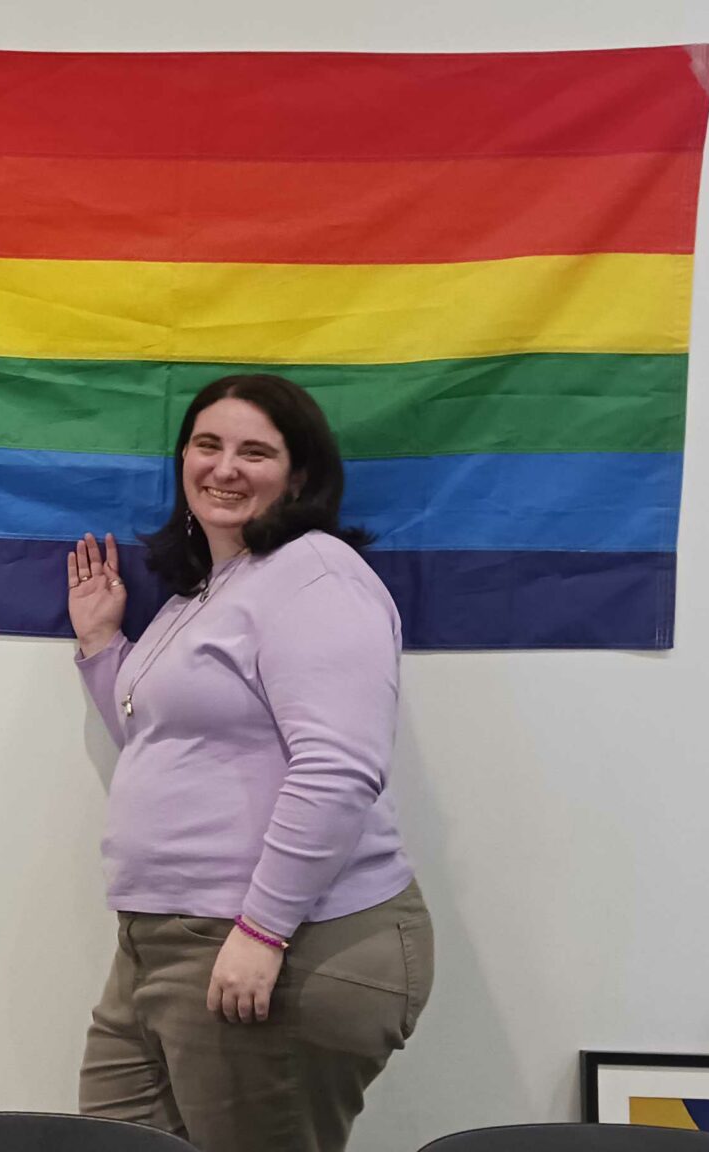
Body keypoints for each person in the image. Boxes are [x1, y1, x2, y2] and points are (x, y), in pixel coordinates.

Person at [65, 373, 433, 1152]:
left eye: (255, 452)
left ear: (298, 476)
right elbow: (163, 737)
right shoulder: (205, 591)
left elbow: (338, 768)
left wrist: (264, 932)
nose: (224, 467)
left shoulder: (315, 575)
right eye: (207, 445)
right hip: (160, 940)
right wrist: (103, 649)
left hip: (284, 941)